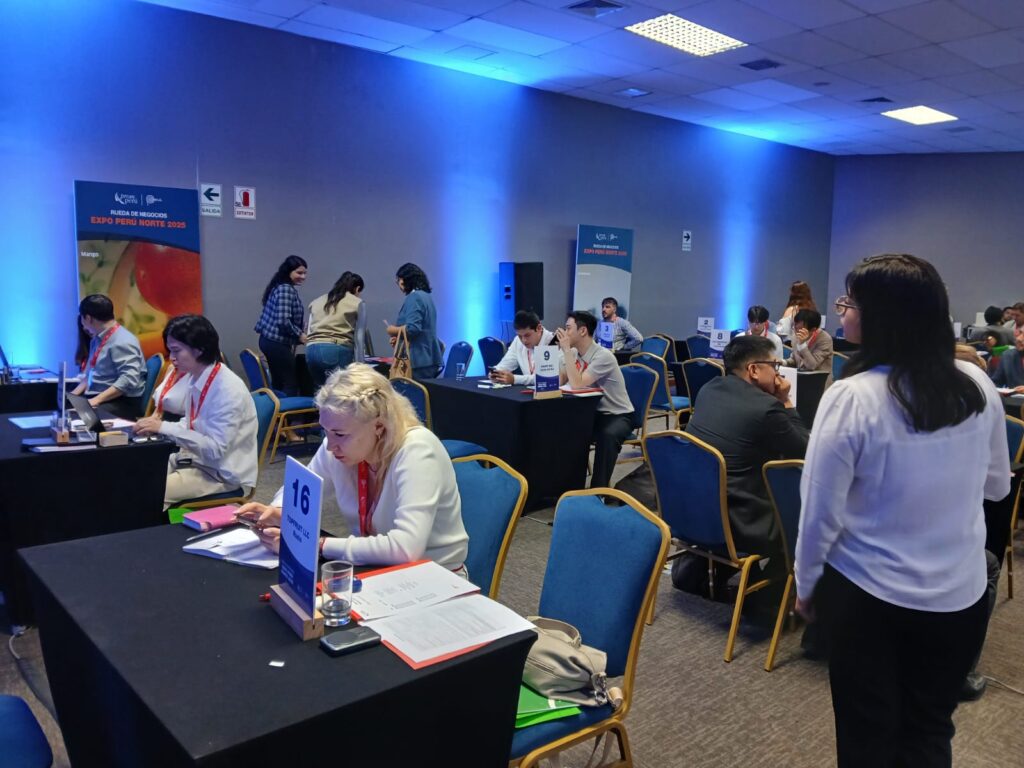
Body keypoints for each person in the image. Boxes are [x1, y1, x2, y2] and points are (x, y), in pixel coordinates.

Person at [794, 254, 1010, 767]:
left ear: (882, 316)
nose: (842, 313)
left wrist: (806, 585)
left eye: (849, 303)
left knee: (867, 738)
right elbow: (998, 487)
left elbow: (819, 512)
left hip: (870, 600)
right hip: (958, 599)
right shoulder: (977, 386)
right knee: (930, 732)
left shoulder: (851, 396)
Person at [237, 364, 468, 571]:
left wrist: (318, 546)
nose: (330, 446)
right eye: (325, 431)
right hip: (377, 570)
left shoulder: (417, 450)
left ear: (379, 426)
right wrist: (280, 510)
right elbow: (302, 486)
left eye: (340, 434)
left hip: (435, 578)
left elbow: (406, 549)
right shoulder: (339, 444)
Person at [685, 335, 809, 560]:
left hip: (695, 510)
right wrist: (786, 401)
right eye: (774, 366)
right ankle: (775, 580)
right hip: (743, 523)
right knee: (810, 513)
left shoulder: (709, 389)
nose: (778, 374)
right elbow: (804, 451)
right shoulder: (766, 408)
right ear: (754, 370)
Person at [134, 315, 258, 509]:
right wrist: (157, 428)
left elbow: (215, 450)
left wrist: (163, 427)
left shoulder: (227, 390)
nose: (172, 358)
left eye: (176, 350)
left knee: (146, 492)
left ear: (199, 349)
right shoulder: (198, 377)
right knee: (133, 476)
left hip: (221, 474)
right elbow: (192, 423)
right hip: (195, 460)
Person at [557, 310, 633, 490]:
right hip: (592, 413)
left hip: (618, 414)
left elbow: (577, 384)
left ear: (583, 331)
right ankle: (567, 486)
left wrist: (566, 350)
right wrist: (561, 354)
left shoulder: (603, 356)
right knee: (563, 430)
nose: (565, 333)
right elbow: (559, 382)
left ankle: (598, 491)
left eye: (568, 328)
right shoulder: (573, 353)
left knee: (607, 436)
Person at [72, 294, 145, 420]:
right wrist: (72, 396)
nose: (82, 325)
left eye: (82, 318)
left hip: (121, 401)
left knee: (78, 417)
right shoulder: (97, 338)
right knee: (63, 409)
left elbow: (128, 380)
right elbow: (90, 374)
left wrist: (96, 400)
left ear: (88, 318)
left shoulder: (123, 341)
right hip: (100, 396)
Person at [254, 255, 308, 396]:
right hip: (276, 343)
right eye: (299, 273)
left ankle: (278, 409)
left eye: (305, 273)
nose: (303, 277)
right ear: (288, 271)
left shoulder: (279, 286)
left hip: (269, 341)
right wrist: (300, 335)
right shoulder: (286, 289)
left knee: (278, 381)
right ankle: (288, 410)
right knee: (291, 383)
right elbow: (283, 320)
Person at [305, 271, 365, 388]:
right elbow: (359, 338)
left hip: (311, 351)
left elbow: (309, 331)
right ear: (357, 289)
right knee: (340, 392)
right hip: (335, 349)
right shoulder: (358, 303)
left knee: (321, 392)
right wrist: (361, 367)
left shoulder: (316, 302)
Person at [386, 263, 443, 380]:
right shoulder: (426, 296)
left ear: (404, 280)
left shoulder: (415, 297)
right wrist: (399, 339)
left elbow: (413, 328)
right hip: (428, 359)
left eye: (398, 281)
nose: (399, 285)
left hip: (418, 361)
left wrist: (392, 330)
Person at [489, 310, 555, 386]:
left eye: (527, 335)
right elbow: (506, 363)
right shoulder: (518, 341)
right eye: (520, 336)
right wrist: (496, 373)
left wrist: (515, 379)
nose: (524, 340)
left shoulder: (553, 342)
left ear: (539, 328)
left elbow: (546, 378)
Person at [785, 308, 833, 379]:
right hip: (800, 379)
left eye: (800, 329)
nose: (795, 331)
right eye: (794, 326)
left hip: (819, 381)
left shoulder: (825, 339)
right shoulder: (795, 335)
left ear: (813, 329)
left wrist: (802, 345)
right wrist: (783, 362)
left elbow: (812, 366)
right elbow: (795, 360)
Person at [990, 326, 1024, 391]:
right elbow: (996, 382)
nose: (1019, 339)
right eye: (1020, 333)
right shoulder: (1008, 356)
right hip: (1013, 397)